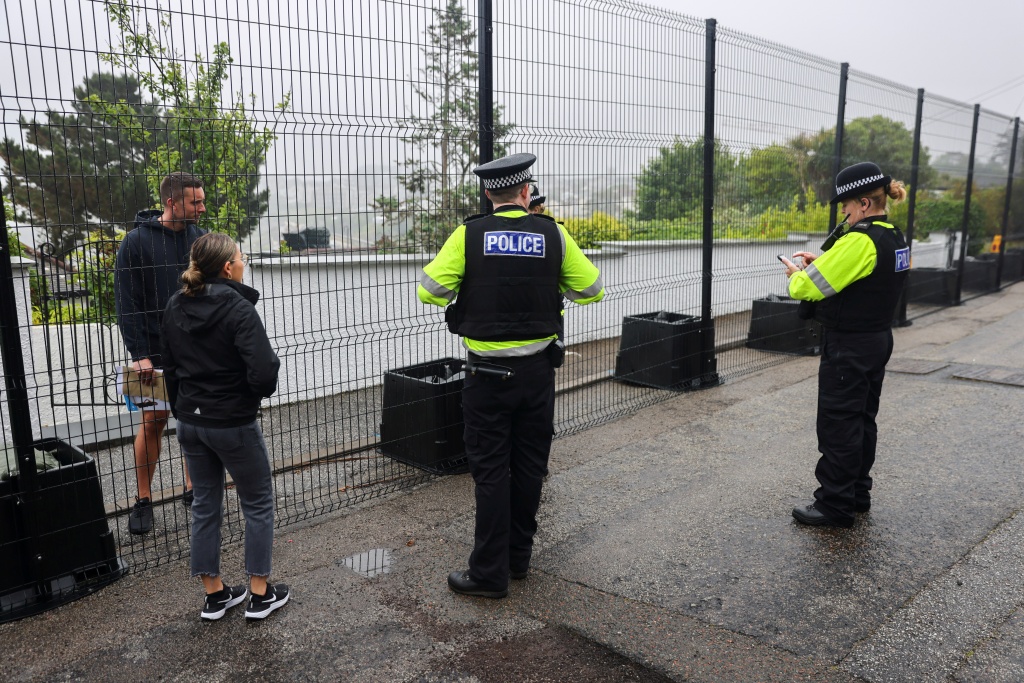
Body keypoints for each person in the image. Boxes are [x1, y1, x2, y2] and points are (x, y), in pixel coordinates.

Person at [418, 153, 605, 598]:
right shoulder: (554, 233)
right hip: (537, 375)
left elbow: (430, 291)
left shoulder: (468, 235)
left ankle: (488, 574)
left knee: (490, 473)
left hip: (486, 379)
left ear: (488, 194)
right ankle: (518, 559)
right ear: (526, 192)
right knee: (529, 468)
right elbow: (592, 290)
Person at [161, 232, 289, 621]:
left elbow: (171, 368)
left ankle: (215, 595)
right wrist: (244, 399)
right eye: (241, 257)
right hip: (232, 423)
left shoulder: (175, 304)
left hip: (190, 422)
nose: (244, 262)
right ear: (228, 267)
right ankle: (260, 595)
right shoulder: (238, 308)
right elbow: (264, 373)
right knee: (258, 503)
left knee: (205, 504)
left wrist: (183, 409)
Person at [781, 161, 910, 528]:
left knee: (838, 424)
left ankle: (834, 505)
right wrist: (826, 262)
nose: (843, 213)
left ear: (864, 204)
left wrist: (797, 274)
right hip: (877, 339)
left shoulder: (859, 239)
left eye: (846, 206)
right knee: (863, 420)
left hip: (849, 346)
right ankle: (856, 494)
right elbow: (867, 275)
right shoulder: (894, 236)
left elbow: (807, 288)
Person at [115, 172, 207, 534]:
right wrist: (139, 353)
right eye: (195, 202)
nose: (201, 208)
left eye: (201, 200)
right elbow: (127, 304)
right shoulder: (135, 242)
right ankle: (143, 500)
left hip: (194, 350)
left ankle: (193, 488)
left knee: (194, 419)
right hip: (151, 353)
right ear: (172, 202)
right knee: (153, 422)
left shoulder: (200, 239)